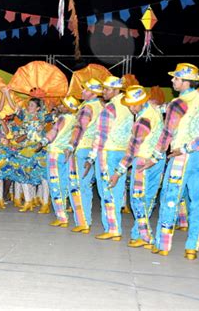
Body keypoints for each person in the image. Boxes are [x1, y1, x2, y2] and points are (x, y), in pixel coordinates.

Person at [141, 63, 199, 260]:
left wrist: (154, 158)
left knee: (170, 198)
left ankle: (163, 244)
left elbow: (166, 134)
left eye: (176, 78)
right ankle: (192, 247)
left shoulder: (177, 104)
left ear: (186, 82)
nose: (172, 81)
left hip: (181, 157)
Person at [108, 85, 164, 248]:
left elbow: (132, 150)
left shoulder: (142, 121)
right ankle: (138, 234)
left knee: (137, 200)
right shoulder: (154, 110)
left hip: (142, 162)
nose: (131, 108)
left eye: (133, 105)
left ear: (141, 102)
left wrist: (118, 173)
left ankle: (147, 237)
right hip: (157, 160)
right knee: (148, 199)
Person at [84, 76, 134, 241]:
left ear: (115, 90)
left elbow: (100, 136)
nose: (103, 92)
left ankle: (112, 228)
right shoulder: (128, 106)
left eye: (106, 89)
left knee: (107, 191)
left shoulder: (110, 108)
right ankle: (116, 227)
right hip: (123, 152)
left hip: (107, 153)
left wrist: (91, 158)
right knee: (117, 191)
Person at [64, 78, 104, 234]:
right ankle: (86, 220)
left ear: (93, 92)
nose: (82, 92)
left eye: (85, 89)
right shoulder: (102, 106)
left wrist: (70, 145)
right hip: (94, 149)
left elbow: (79, 128)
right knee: (86, 185)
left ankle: (83, 221)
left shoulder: (87, 107)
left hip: (81, 148)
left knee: (77, 185)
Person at [40, 95, 80, 227]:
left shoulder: (63, 118)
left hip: (55, 154)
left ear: (67, 108)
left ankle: (61, 216)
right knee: (63, 183)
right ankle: (64, 215)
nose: (60, 106)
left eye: (63, 105)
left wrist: (42, 142)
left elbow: (54, 131)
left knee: (55, 185)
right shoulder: (75, 119)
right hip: (66, 154)